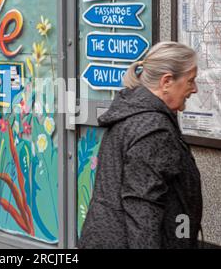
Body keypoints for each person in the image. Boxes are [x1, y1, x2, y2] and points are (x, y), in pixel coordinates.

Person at [77, 41, 203, 249]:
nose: (194, 89)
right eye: (191, 81)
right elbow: (143, 208)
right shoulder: (153, 129)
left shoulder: (132, 111)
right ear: (167, 81)